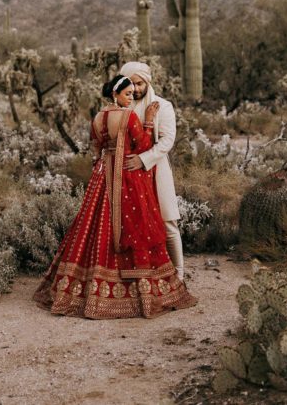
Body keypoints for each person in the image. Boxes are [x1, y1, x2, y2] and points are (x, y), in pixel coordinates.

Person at [34, 75, 197, 318]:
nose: (132, 97)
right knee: (134, 226)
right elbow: (142, 145)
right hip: (126, 177)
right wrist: (150, 121)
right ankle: (136, 290)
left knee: (96, 226)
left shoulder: (98, 117)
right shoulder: (129, 116)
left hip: (102, 177)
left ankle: (82, 288)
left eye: (133, 93)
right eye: (128, 93)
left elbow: (96, 149)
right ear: (116, 94)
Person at [119, 62, 185, 280]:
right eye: (132, 84)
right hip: (129, 174)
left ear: (147, 82)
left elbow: (167, 140)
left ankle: (180, 274)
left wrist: (143, 159)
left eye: (139, 83)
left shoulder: (162, 106)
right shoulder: (123, 105)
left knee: (168, 221)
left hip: (156, 169)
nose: (136, 89)